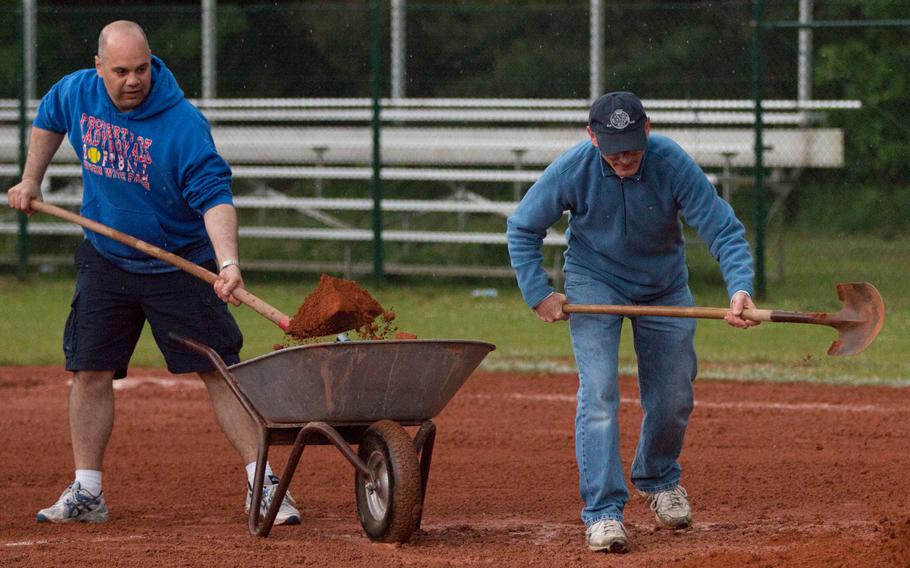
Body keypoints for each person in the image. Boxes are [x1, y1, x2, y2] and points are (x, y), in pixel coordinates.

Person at [6, 21, 300, 526]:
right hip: (106, 257)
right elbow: (49, 117)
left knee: (218, 370)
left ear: (152, 62)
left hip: (179, 262)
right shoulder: (77, 92)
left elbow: (215, 198)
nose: (133, 80)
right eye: (120, 71)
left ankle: (265, 483)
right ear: (99, 68)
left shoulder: (182, 124)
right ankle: (87, 492)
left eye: (141, 69)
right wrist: (31, 179)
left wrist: (227, 262)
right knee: (89, 370)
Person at [506, 91, 759, 553]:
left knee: (673, 396)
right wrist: (538, 293)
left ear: (647, 129)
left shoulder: (672, 162)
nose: (623, 159)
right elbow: (523, 227)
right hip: (593, 281)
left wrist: (739, 288)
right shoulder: (573, 168)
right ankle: (603, 513)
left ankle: (658, 478)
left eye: (630, 147)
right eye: (611, 149)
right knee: (599, 393)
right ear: (591, 137)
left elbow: (722, 229)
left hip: (663, 284)